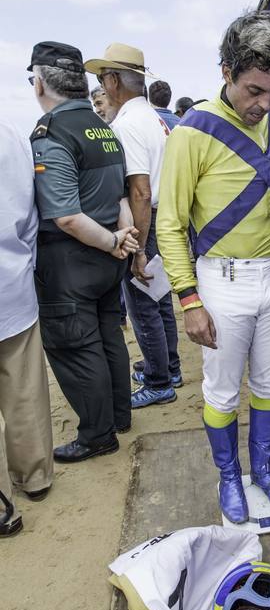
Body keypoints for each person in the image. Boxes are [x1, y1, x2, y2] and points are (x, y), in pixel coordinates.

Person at [157, 10, 270, 525]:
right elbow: (170, 224)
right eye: (254, 90)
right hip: (222, 281)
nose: (265, 105)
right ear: (226, 72)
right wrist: (188, 299)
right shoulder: (191, 132)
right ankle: (230, 476)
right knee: (221, 391)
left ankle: (264, 470)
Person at [29, 41, 138, 463]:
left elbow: (67, 216)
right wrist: (120, 238)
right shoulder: (103, 127)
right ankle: (119, 416)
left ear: (40, 83)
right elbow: (120, 193)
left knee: (76, 346)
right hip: (108, 254)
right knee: (108, 335)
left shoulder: (52, 132)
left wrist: (113, 241)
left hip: (73, 259)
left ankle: (97, 435)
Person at [84, 43, 183, 407]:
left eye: (102, 78)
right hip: (164, 216)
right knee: (159, 298)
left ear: (113, 81)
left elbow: (140, 191)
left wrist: (137, 248)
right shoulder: (155, 118)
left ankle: (160, 380)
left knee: (142, 303)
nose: (102, 85)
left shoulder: (127, 124)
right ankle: (168, 366)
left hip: (147, 220)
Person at [0, 117, 54, 536]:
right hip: (12, 281)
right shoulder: (12, 134)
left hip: (14, 281)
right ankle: (35, 476)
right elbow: (32, 214)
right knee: (23, 388)